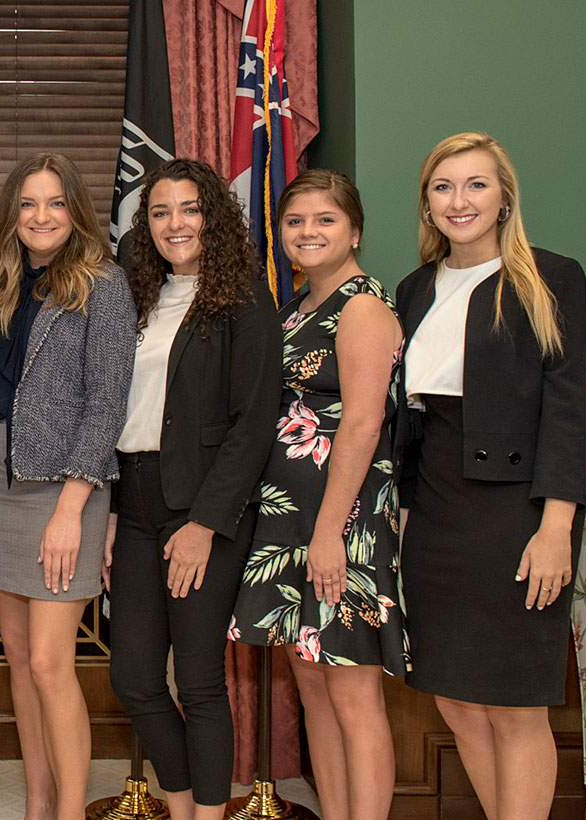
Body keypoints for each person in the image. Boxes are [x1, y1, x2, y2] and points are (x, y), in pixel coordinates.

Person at [396, 132, 586, 820]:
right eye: (443, 186)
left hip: (516, 516)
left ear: (505, 198)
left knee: (514, 706)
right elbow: (409, 421)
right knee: (454, 699)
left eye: (476, 184)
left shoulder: (553, 278)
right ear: (427, 203)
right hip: (436, 514)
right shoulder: (414, 289)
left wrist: (556, 527)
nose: (460, 200)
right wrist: (404, 515)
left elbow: (567, 411)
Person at [0, 152, 135, 820]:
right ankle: (37, 803)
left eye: (56, 202)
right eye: (28, 204)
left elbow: (107, 403)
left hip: (67, 492)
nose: (41, 216)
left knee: (48, 663)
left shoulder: (103, 286)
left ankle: (68, 811)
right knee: (18, 662)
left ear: (76, 212)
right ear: (11, 215)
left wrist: (71, 508)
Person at [106, 158, 278, 820]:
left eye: (189, 208)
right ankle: (181, 809)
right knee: (134, 678)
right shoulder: (137, 298)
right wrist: (113, 511)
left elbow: (253, 424)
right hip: (136, 500)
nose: (175, 223)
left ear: (214, 217)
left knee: (200, 682)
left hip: (202, 507)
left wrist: (205, 523)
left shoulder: (243, 299)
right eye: (160, 211)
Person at [231, 169, 405, 820]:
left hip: (342, 525)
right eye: (296, 221)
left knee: (353, 696)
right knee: (312, 687)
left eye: (326, 219)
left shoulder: (362, 308)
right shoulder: (298, 307)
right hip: (291, 521)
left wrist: (330, 533)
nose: (308, 231)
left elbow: (362, 424)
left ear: (355, 230)